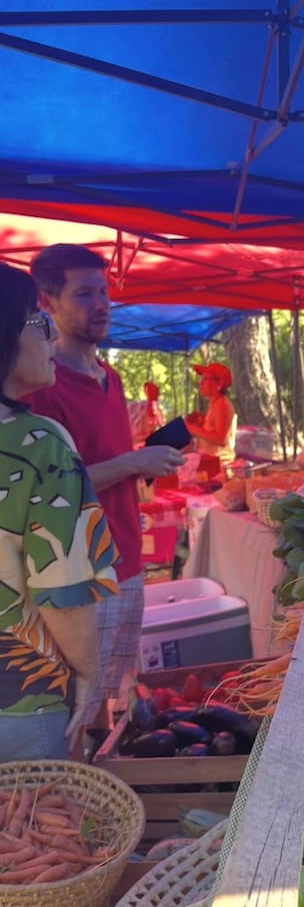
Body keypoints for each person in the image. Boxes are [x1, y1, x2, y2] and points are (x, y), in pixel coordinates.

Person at [25, 244, 186, 735]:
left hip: (129, 560)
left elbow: (100, 464)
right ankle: (80, 797)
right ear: (47, 302)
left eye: (104, 291)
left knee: (110, 700)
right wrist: (135, 461)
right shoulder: (41, 387)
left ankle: (105, 783)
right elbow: (49, 488)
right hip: (80, 572)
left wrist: (140, 463)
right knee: (76, 704)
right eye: (84, 293)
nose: (101, 304)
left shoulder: (109, 378)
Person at [0, 263, 119, 761]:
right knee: (38, 832)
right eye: (38, 321)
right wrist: (89, 673)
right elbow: (62, 591)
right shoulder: (39, 444)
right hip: (21, 702)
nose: (50, 338)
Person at [185, 362, 237, 463]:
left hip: (221, 464)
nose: (201, 383)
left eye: (205, 379)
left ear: (219, 384)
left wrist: (191, 428)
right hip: (210, 462)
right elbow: (209, 434)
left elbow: (221, 439)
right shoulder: (214, 404)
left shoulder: (223, 405)